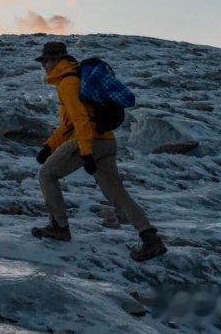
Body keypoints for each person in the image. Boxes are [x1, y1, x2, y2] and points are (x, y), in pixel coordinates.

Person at [30, 41, 167, 262]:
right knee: (117, 192)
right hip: (106, 142)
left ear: (54, 61)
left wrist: (85, 153)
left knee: (47, 175)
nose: (43, 66)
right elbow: (69, 124)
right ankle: (150, 238)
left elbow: (81, 121)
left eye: (44, 61)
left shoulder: (67, 83)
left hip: (90, 141)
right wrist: (49, 146)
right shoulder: (77, 79)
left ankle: (59, 227)